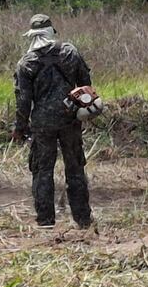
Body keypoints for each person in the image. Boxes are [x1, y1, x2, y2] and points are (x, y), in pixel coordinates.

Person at [12, 14, 93, 229]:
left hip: (42, 124)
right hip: (71, 120)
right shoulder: (70, 52)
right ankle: (83, 220)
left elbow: (23, 101)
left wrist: (19, 128)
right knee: (75, 169)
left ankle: (46, 221)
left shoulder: (26, 63)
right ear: (51, 31)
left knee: (42, 171)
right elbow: (86, 86)